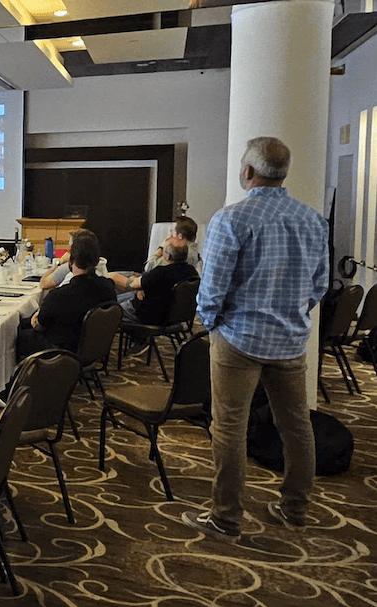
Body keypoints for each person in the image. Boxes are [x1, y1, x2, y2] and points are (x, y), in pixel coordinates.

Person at [182, 136, 329, 542]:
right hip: (291, 341)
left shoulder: (231, 219)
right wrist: (292, 314)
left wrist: (210, 324)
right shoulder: (313, 220)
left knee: (229, 427)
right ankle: (295, 509)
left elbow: (212, 288)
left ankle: (226, 518)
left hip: (238, 340)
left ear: (248, 172)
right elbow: (319, 285)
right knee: (297, 426)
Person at [16, 229, 117, 360]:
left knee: (21, 332)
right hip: (94, 349)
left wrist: (35, 320)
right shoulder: (109, 287)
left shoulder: (58, 296)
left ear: (71, 261)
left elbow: (40, 324)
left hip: (63, 352)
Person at [119, 241, 198, 325]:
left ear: (167, 256)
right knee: (124, 297)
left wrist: (134, 279)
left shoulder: (161, 273)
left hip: (149, 316)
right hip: (176, 316)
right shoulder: (192, 272)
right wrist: (142, 288)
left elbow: (133, 284)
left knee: (112, 309)